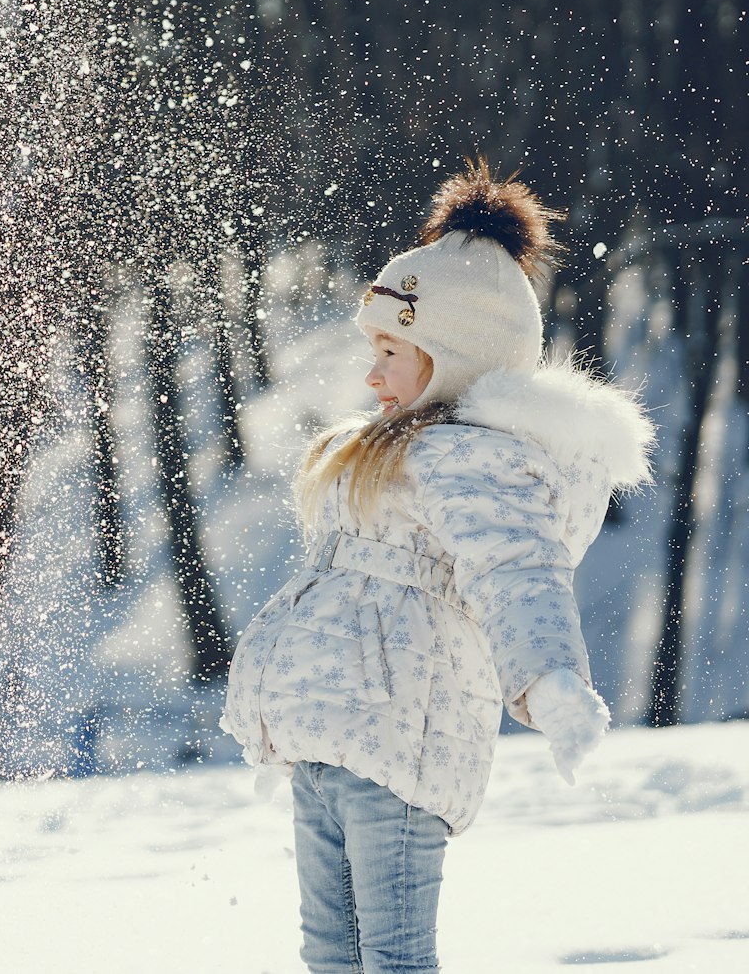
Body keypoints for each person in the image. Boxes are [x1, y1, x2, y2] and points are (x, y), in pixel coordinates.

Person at [221, 163, 654, 974]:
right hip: (327, 748)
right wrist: (275, 719)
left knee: (391, 956)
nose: (372, 371)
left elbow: (516, 568)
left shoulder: (473, 461)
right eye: (373, 348)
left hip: (398, 747)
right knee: (330, 953)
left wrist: (550, 677)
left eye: (394, 349)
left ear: (455, 356)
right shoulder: (384, 455)